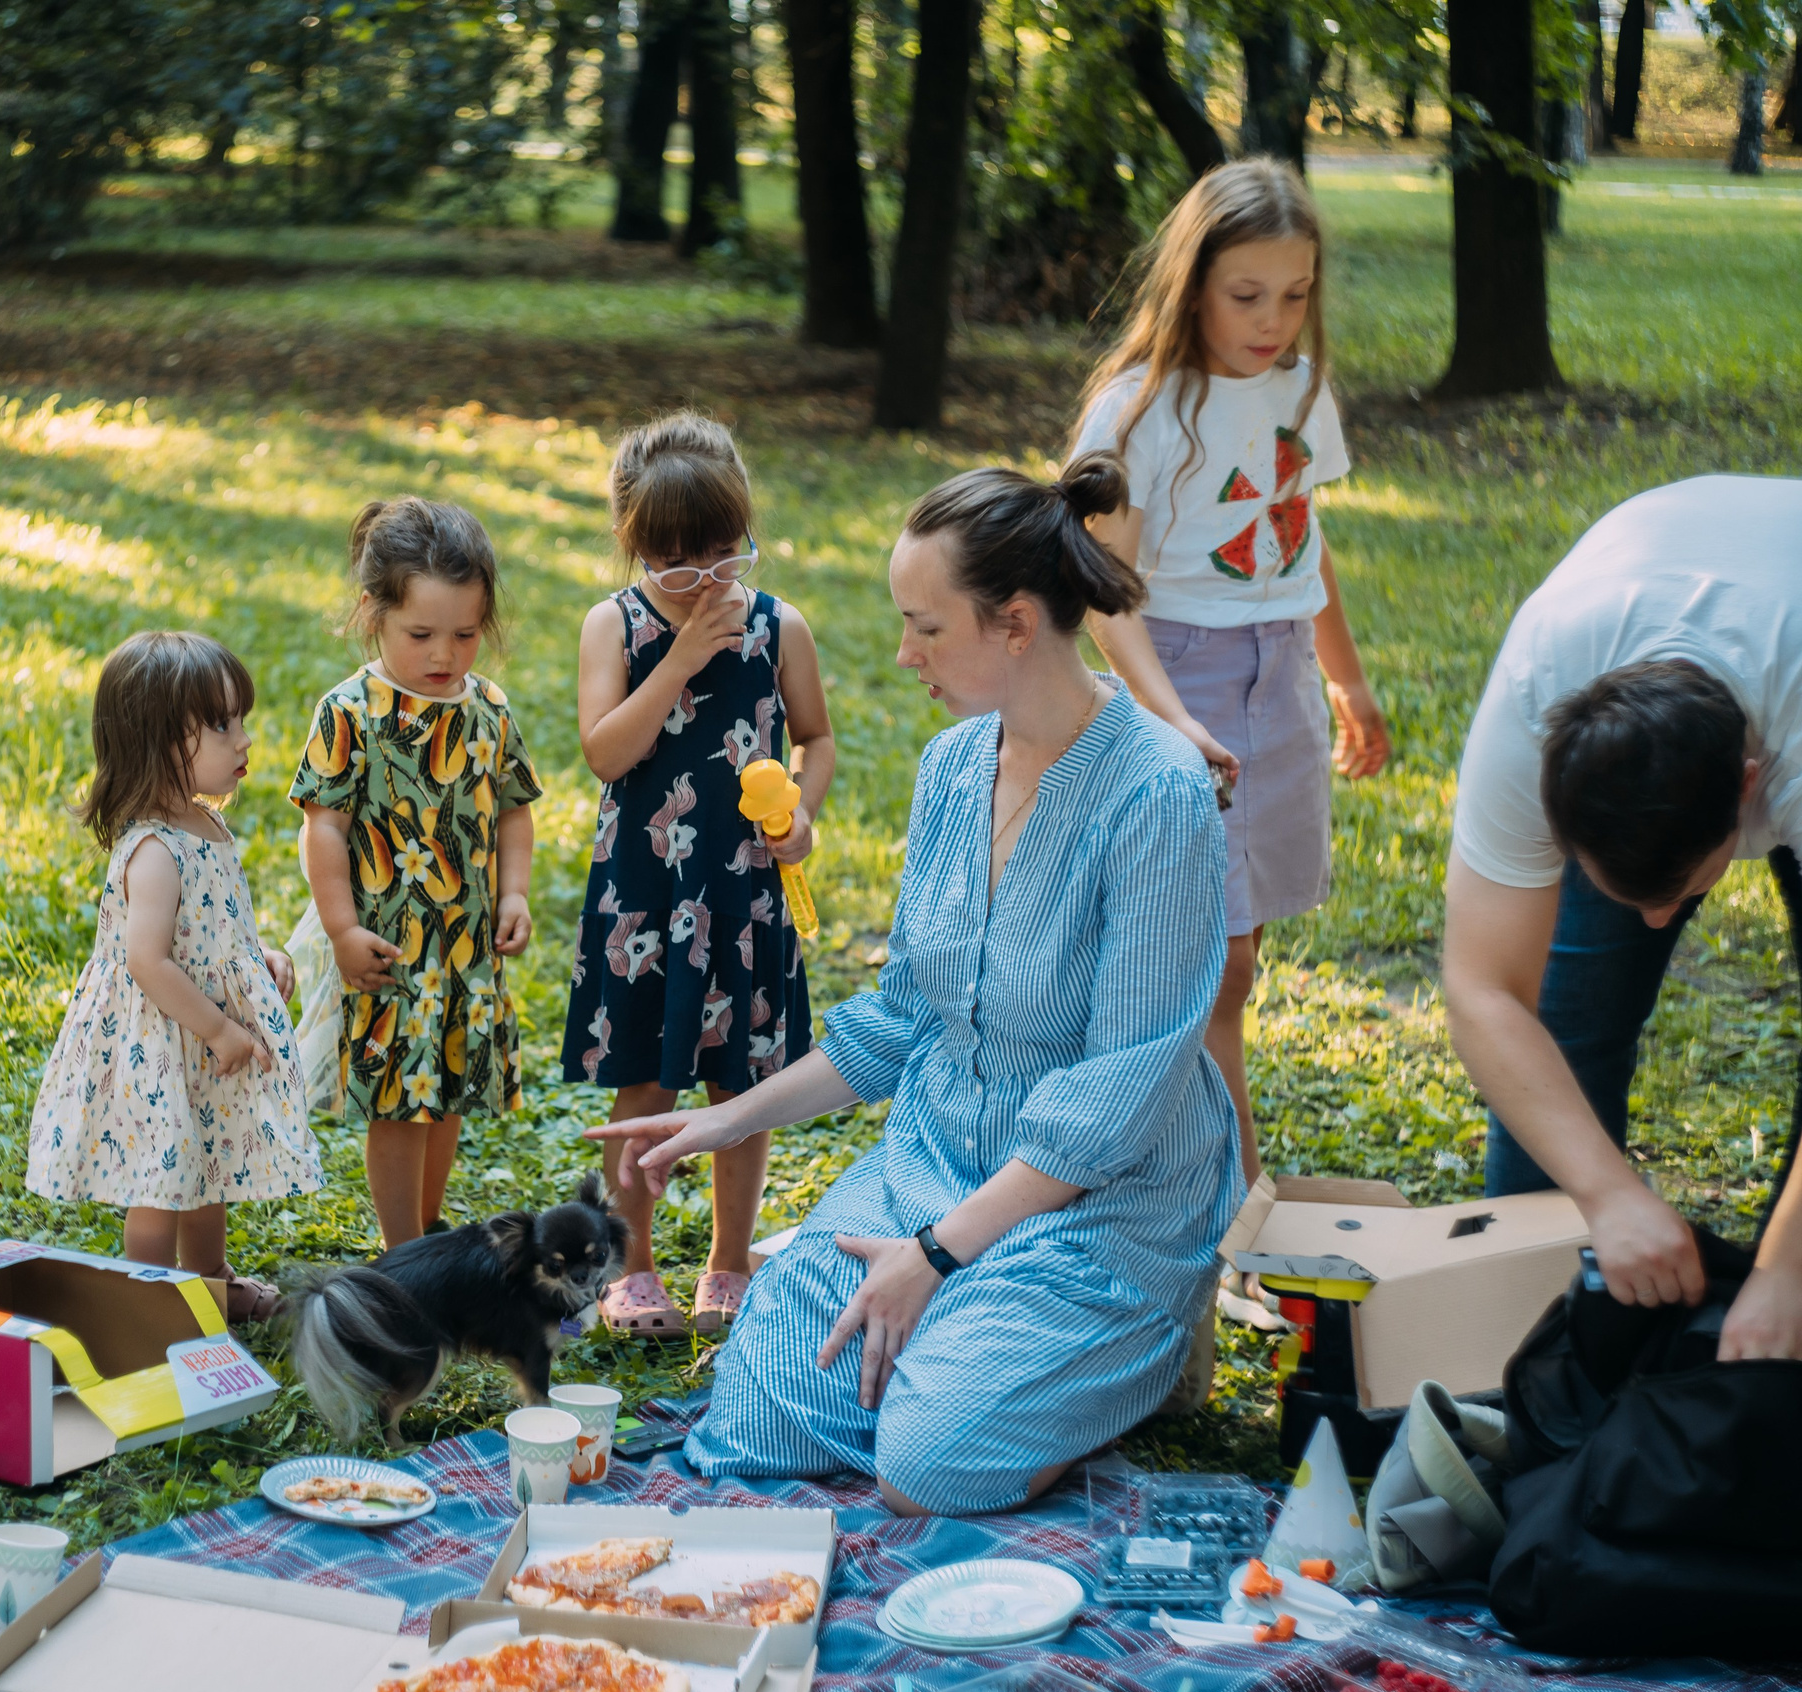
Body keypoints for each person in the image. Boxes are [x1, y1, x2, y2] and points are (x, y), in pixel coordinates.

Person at [593, 457, 1246, 1516]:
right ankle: (973, 1345)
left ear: (1018, 624)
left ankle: (1125, 1348)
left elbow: (1117, 1101)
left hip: (1097, 1204)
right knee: (754, 1420)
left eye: (925, 628)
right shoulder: (950, 769)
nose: (902, 656)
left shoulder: (1158, 794)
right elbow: (901, 1019)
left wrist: (935, 1259)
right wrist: (716, 1125)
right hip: (931, 1167)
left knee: (925, 1466)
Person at [1068, 157, 1389, 1180]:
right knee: (1218, 960)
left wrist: (1345, 678)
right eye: (1246, 294)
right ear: (1192, 281)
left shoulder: (1300, 388)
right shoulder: (1137, 409)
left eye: (1295, 295)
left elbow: (1299, 537)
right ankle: (1225, 1187)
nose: (1274, 320)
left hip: (1280, 675)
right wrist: (1171, 720)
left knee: (1226, 958)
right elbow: (1100, 591)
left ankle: (1175, 1156)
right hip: (1179, 676)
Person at [1439, 474, 1802, 1363]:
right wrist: (1605, 1197)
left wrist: (1787, 1269)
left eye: (1677, 890)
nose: (1655, 923)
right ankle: (1528, 1341)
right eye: (1625, 887)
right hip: (1648, 589)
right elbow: (1484, 986)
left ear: (1750, 788)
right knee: (1571, 1016)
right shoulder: (1535, 699)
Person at [561, 413, 835, 1338]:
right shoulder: (617, 626)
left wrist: (803, 809)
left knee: (741, 1090)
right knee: (645, 1086)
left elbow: (817, 736)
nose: (710, 581)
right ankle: (630, 1266)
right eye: (681, 564)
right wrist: (680, 656)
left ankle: (727, 1260)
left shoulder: (776, 626)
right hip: (648, 897)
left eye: (726, 555)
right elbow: (607, 752)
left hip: (744, 896)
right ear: (635, 545)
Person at [24, 631, 320, 1321]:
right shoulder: (154, 849)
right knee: (160, 1178)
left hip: (201, 1040)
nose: (242, 738)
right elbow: (147, 960)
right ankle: (146, 1302)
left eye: (239, 719)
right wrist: (219, 1027)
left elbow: (213, 933)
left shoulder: (207, 826)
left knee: (207, 1158)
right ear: (157, 742)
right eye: (221, 724)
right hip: (159, 1040)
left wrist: (262, 957)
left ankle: (209, 1278)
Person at [291, 499, 542, 1248]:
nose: (446, 654)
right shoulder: (351, 713)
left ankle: (429, 1229)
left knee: (450, 1092)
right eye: (422, 634)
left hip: (464, 949)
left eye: (466, 634)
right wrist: (340, 928)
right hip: (391, 949)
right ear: (374, 613)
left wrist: (517, 892)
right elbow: (323, 827)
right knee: (401, 1104)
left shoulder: (489, 710)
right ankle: (403, 1248)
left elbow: (513, 812)